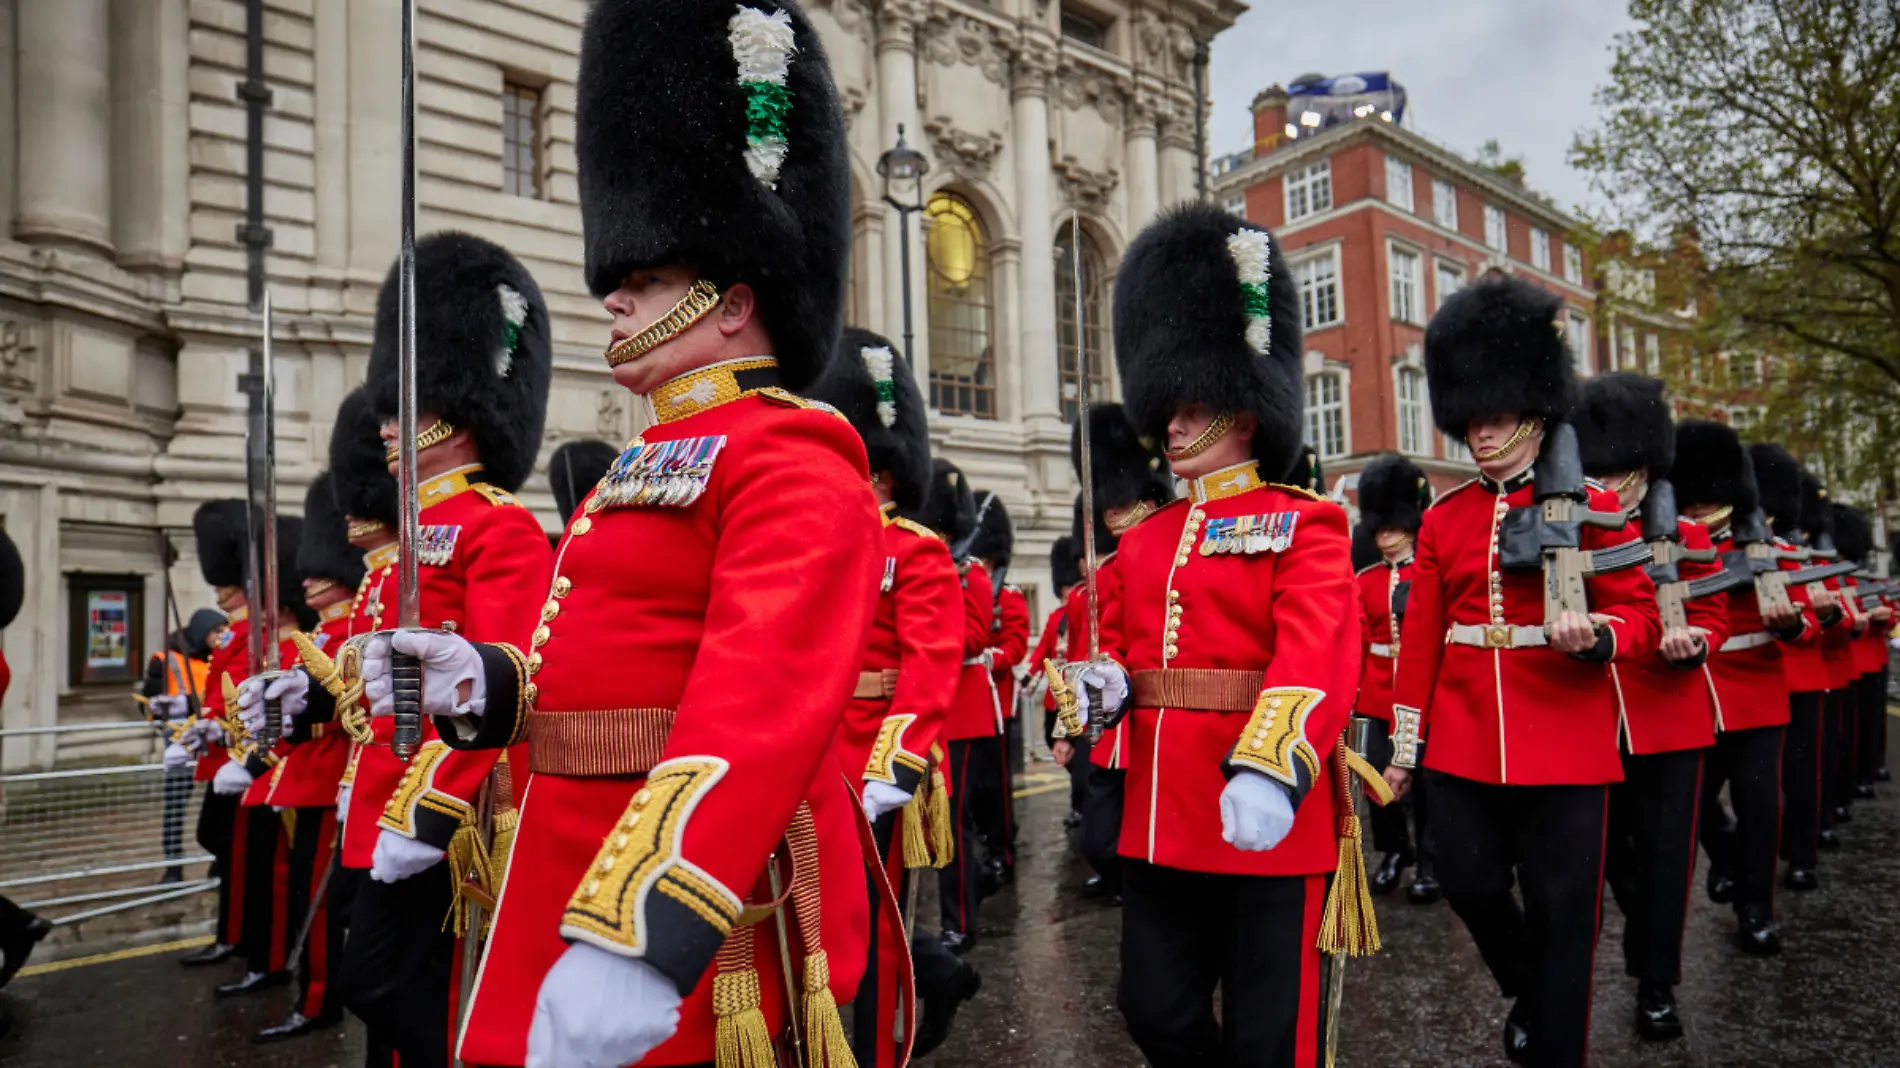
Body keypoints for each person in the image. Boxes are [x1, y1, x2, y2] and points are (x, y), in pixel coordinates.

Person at [356, 2, 884, 1064]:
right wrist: (485, 682)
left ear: (731, 302)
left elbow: (757, 695)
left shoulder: (790, 450)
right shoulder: (648, 460)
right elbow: (600, 662)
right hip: (567, 850)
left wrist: (652, 925)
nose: (609, 300)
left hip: (686, 882)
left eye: (640, 281)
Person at [1092, 202, 1365, 1067]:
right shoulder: (1142, 541)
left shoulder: (1308, 523)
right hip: (1163, 819)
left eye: (1192, 405)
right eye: (1166, 406)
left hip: (1262, 807)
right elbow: (1124, 654)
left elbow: (1317, 649)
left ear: (1245, 413)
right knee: (1154, 1010)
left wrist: (1273, 768)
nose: (1169, 425)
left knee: (1267, 1037)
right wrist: (1097, 689)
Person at [1387, 274, 1660, 1068]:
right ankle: (1529, 987)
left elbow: (1641, 616)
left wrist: (1600, 634)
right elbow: (1423, 642)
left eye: (1496, 416)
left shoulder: (1599, 509)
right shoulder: (1445, 518)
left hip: (1568, 743)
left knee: (1567, 913)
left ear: (1534, 412)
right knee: (1465, 879)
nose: (1479, 432)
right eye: (1470, 418)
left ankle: (1555, 1038)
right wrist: (1406, 746)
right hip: (1467, 743)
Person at [334, 232, 557, 1068]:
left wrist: (432, 807)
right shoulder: (413, 535)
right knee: (384, 1000)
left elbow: (499, 687)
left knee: (397, 987)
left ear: (457, 415)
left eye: (405, 410)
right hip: (378, 786)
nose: (386, 426)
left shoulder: (497, 525)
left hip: (436, 802)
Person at [805, 325, 971, 1068]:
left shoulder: (915, 549)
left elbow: (931, 661)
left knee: (874, 927)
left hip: (871, 755)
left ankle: (880, 1049)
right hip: (804, 753)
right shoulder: (807, 539)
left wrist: (895, 759)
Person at [1572, 373, 1729, 1041]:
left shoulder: (1688, 537)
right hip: (1591, 719)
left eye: (1620, 471)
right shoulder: (1572, 528)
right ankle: (1641, 934)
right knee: (1606, 859)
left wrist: (1695, 642)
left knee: (1669, 858)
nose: (1612, 482)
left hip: (1669, 716)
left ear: (1643, 470)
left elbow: (1714, 613)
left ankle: (1657, 983)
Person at [235, 473, 367, 1043]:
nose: (311, 580)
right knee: (299, 892)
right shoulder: (320, 638)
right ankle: (310, 991)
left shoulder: (351, 632)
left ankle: (319, 1000)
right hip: (306, 775)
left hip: (336, 777)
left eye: (322, 569)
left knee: (322, 907)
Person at [1678, 423, 1803, 955]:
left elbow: (1805, 623)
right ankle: (1725, 856)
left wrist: (1793, 623)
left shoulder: (1766, 547)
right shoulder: (1673, 544)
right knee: (1694, 804)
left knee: (1762, 807)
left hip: (1755, 694)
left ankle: (1756, 907)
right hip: (1694, 693)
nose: (1706, 503)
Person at [1060, 402, 1174, 905]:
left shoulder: (1173, 557)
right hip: (1113, 724)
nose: (1111, 509)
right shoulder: (1104, 573)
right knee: (1101, 837)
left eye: (1121, 498)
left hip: (1163, 721)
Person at [213, 515, 316, 1000]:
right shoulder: (271, 647)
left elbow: (307, 724)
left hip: (292, 779)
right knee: (259, 872)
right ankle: (261, 955)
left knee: (278, 878)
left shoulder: (306, 648)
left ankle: (275, 964)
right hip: (270, 775)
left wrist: (256, 762)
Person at [1749, 445, 1841, 893]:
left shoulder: (1800, 556)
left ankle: (1802, 855)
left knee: (1801, 775)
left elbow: (1831, 616)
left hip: (1799, 677)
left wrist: (1822, 614)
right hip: (1751, 678)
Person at [912, 458, 993, 953]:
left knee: (952, 823)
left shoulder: (971, 575)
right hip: (915, 708)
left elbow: (977, 636)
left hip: (958, 714)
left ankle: (959, 918)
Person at [1350, 452, 1436, 903]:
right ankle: (1394, 853)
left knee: (1423, 784)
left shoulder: (1429, 573)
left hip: (1421, 695)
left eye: (1393, 529)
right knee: (1377, 779)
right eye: (1380, 530)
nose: (1385, 539)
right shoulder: (1364, 580)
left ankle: (1429, 861)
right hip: (1377, 695)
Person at [965, 491, 1027, 887]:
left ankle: (1001, 851)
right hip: (967, 707)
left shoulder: (1009, 597)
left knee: (995, 788)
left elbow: (1017, 645)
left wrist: (992, 658)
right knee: (967, 791)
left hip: (997, 705)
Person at [147, 608, 225, 884]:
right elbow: (149, 702)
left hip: (216, 741)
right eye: (215, 631)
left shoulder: (221, 658)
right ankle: (173, 865)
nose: (220, 637)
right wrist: (161, 709)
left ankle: (219, 863)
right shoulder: (164, 661)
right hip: (181, 743)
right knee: (175, 805)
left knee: (220, 807)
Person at [1029, 536, 1081, 822]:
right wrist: (1030, 675)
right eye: (1063, 588)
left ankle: (1077, 802)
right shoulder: (1053, 617)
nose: (1066, 592)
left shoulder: (1082, 612)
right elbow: (1043, 650)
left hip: (1074, 694)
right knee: (1058, 746)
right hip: (1054, 699)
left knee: (1077, 752)